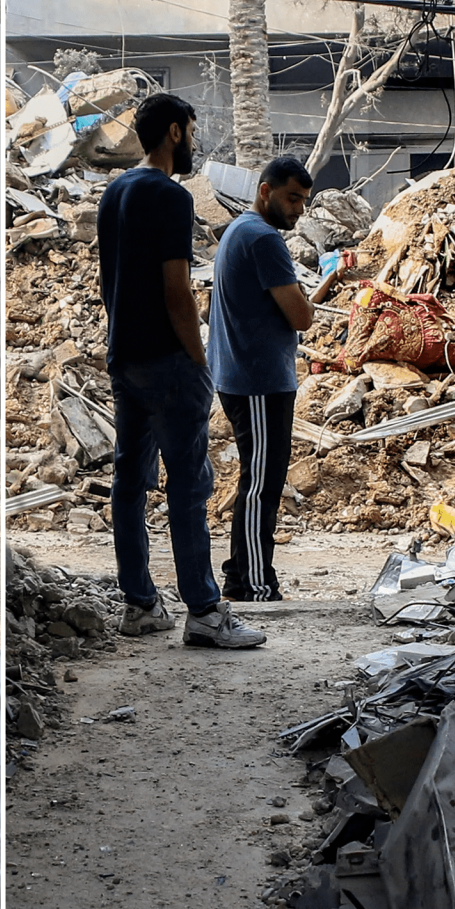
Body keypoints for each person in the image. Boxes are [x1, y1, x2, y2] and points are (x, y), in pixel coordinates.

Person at [97, 92, 265, 650]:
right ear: (174, 132)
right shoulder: (169, 196)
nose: (193, 142)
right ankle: (204, 612)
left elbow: (110, 284)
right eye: (190, 130)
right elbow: (177, 291)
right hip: (168, 362)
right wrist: (200, 360)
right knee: (189, 486)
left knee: (130, 481)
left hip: (124, 356)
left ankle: (140, 605)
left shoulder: (113, 192)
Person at [208, 156, 314, 602]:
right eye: (292, 198)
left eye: (304, 202)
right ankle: (249, 581)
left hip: (244, 374)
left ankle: (246, 572)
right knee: (261, 484)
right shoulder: (264, 239)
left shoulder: (238, 230)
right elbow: (301, 316)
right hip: (258, 380)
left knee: (261, 479)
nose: (298, 210)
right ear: (265, 190)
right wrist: (308, 301)